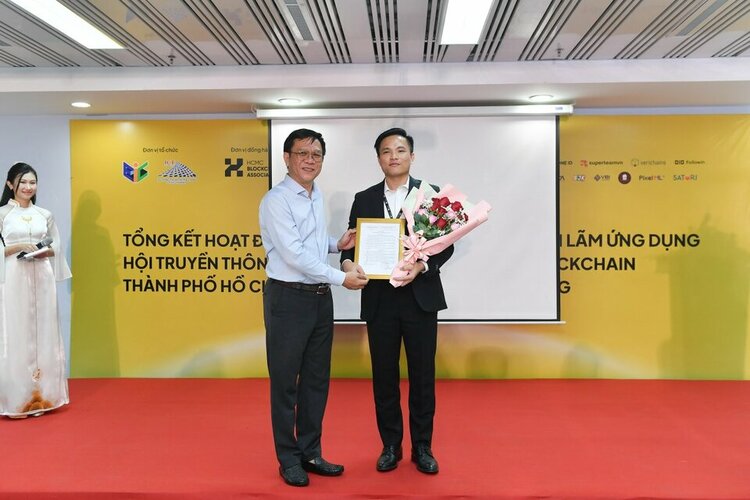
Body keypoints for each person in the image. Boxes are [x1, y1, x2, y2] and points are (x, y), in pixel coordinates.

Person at [341, 127, 454, 475]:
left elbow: (445, 245)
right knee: (384, 376)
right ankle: (390, 445)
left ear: (412, 156)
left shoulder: (429, 194)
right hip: (380, 300)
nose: (394, 156)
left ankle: (422, 447)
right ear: (379, 158)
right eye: (386, 151)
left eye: (400, 150)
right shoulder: (364, 198)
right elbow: (350, 246)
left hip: (420, 299)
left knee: (423, 376)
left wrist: (421, 266)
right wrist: (347, 265)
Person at [259, 128, 368, 487]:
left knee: (316, 380)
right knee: (285, 383)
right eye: (302, 153)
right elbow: (293, 254)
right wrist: (341, 278)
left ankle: (310, 451)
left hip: (320, 299)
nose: (310, 160)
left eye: (316, 154)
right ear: (287, 158)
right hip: (288, 299)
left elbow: (311, 242)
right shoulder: (276, 200)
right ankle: (288, 458)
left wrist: (337, 244)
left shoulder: (314, 194)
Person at [0, 162, 72, 419]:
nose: (28, 187)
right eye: (23, 182)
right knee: (15, 333)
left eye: (32, 182)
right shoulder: (2, 214)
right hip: (13, 278)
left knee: (44, 333)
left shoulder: (45, 214)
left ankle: (41, 398)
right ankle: (16, 401)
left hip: (42, 276)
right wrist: (18, 246)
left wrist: (44, 251)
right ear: (10, 184)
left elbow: (57, 248)